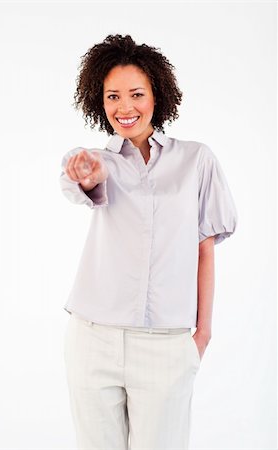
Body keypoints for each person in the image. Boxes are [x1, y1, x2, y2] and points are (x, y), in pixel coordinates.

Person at [60, 34, 238, 450]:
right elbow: (81, 176)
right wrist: (81, 171)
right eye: (113, 96)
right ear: (98, 101)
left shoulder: (196, 160)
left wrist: (203, 335)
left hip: (166, 345)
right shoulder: (100, 160)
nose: (125, 108)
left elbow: (204, 249)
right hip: (92, 340)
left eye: (136, 94)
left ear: (157, 95)